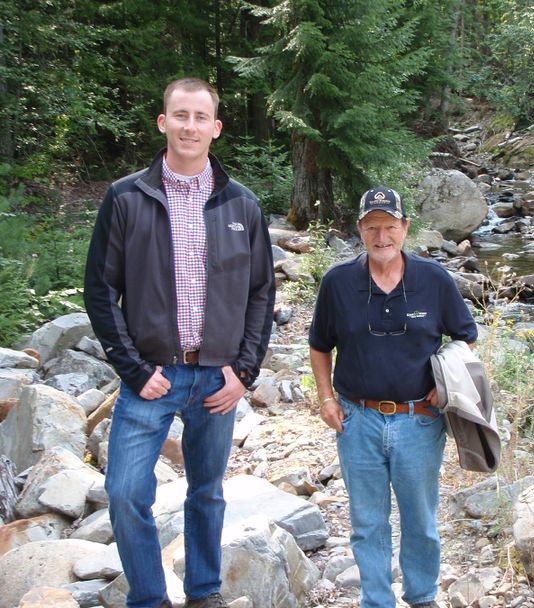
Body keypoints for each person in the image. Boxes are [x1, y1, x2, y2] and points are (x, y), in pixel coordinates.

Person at [84, 77, 275, 608]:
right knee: (124, 493)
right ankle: (148, 597)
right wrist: (134, 370)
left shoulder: (241, 205)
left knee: (208, 493)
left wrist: (245, 371)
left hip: (218, 376)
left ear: (215, 129)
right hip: (151, 377)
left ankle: (204, 592)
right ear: (163, 122)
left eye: (200, 117)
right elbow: (100, 291)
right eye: (180, 115)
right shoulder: (126, 198)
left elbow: (262, 293)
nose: (189, 126)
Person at [309, 187, 478, 608]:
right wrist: (326, 399)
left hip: (420, 419)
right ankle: (377, 601)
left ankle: (422, 597)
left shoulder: (434, 280)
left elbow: (465, 336)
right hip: (356, 419)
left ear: (404, 228)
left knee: (420, 520)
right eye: (372, 227)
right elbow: (319, 345)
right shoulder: (338, 282)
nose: (381, 236)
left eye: (390, 227)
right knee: (367, 522)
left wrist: (447, 384)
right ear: (360, 230)